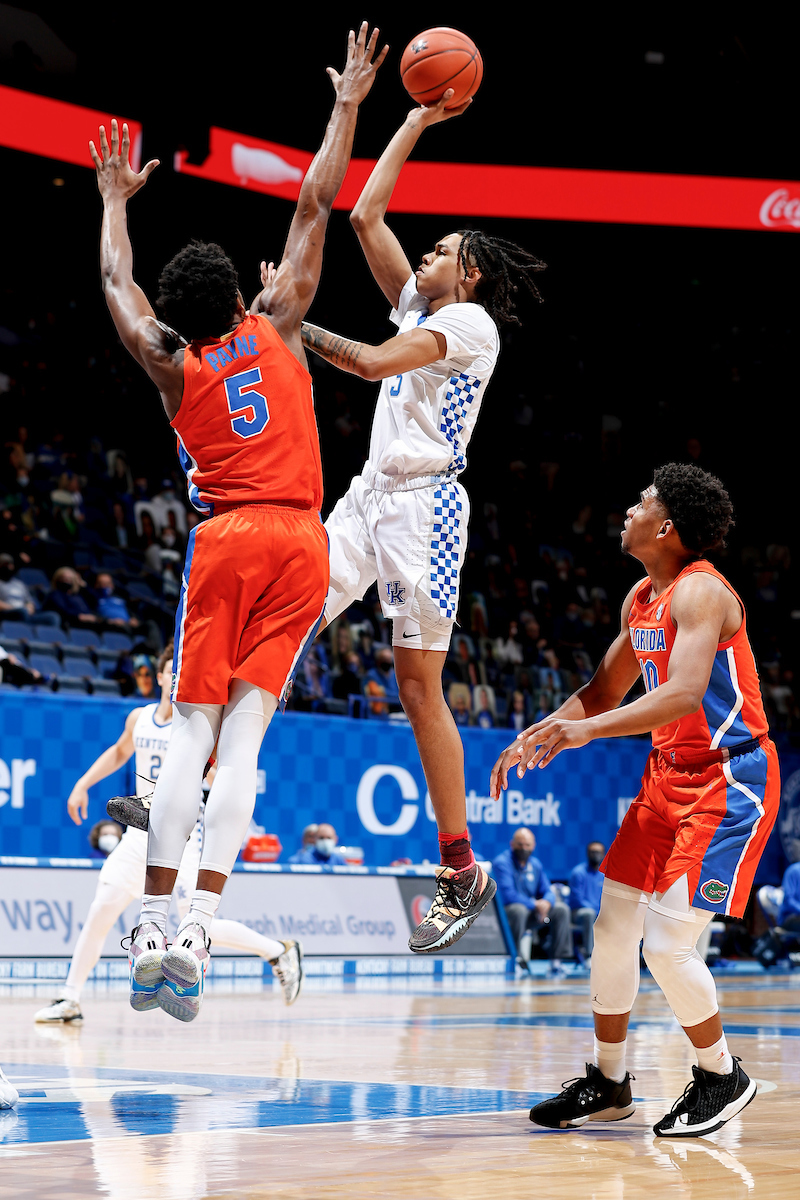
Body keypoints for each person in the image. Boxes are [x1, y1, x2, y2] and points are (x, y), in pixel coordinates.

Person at [89, 25, 386, 1021]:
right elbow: (313, 202)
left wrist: (113, 206)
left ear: (183, 315)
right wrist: (346, 101)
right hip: (304, 541)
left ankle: (160, 923)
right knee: (249, 739)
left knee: (190, 729)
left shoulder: (173, 366)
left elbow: (114, 288)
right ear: (241, 298)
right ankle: (204, 934)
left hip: (228, 539)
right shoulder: (285, 318)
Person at [298, 90, 547, 954]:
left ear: (469, 274)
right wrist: (413, 121)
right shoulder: (421, 307)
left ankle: (459, 867)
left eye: (441, 251)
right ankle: (187, 770)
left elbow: (366, 365)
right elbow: (366, 212)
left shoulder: (470, 325)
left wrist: (288, 323)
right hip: (370, 497)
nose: (427, 256)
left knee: (416, 688)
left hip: (427, 510)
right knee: (286, 611)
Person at [491, 463, 780, 1137]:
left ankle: (720, 1075)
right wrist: (542, 734)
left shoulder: (701, 594)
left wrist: (584, 731)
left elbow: (681, 694)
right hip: (665, 775)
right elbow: (600, 690)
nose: (630, 508)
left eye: (643, 501)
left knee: (669, 944)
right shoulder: (641, 597)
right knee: (614, 928)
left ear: (669, 526)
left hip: (726, 779)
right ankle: (609, 1082)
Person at [33, 645, 303, 1026]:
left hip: (182, 841)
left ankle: (277, 950)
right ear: (160, 677)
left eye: (181, 668)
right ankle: (70, 998)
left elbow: (217, 776)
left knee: (192, 926)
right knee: (100, 912)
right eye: (170, 670)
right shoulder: (139, 718)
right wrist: (82, 784)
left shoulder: (198, 722)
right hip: (136, 838)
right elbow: (118, 752)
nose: (175, 674)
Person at [492, 828, 572, 974]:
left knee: (561, 910)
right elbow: (508, 895)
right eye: (520, 844)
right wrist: (535, 904)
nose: (524, 848)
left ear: (533, 846)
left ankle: (556, 961)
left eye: (527, 845)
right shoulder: (501, 863)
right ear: (512, 844)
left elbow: (548, 890)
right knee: (518, 910)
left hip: (533, 913)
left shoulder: (535, 865)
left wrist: (546, 903)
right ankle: (514, 959)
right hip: (509, 914)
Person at [568, 841, 606, 960]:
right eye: (593, 852)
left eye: (598, 852)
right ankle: (589, 956)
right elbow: (577, 899)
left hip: (599, 912)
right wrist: (596, 911)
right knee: (589, 914)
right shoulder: (578, 873)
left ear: (604, 854)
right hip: (578, 912)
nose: (596, 855)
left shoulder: (605, 875)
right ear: (587, 854)